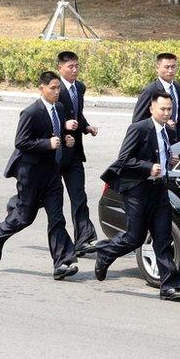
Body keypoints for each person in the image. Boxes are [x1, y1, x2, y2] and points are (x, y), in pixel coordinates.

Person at [95, 92, 180, 301]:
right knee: (134, 237)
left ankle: (168, 286)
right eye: (162, 109)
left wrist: (168, 160)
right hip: (137, 191)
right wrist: (147, 168)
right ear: (152, 109)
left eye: (169, 109)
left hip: (160, 190)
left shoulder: (168, 131)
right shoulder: (139, 128)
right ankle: (105, 253)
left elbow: (160, 153)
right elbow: (124, 160)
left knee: (162, 238)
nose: (166, 113)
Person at [0, 71, 79, 280]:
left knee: (57, 219)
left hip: (52, 175)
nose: (57, 92)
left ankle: (62, 263)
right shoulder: (31, 112)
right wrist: (46, 144)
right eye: (53, 88)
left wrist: (66, 140)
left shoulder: (59, 108)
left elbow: (56, 132)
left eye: (58, 88)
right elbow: (21, 142)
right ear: (42, 89)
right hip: (30, 175)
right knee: (24, 217)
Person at [55, 51, 99, 253]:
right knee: (38, 197)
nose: (74, 70)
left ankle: (83, 239)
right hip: (55, 153)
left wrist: (86, 126)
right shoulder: (54, 89)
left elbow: (77, 113)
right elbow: (46, 116)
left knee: (78, 196)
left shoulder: (79, 88)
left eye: (76, 66)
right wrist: (64, 125)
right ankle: (17, 205)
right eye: (70, 67)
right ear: (60, 68)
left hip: (73, 154)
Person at [132, 53, 180, 142]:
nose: (170, 71)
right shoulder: (150, 91)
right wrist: (162, 122)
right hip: (157, 140)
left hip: (176, 139)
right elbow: (138, 122)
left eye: (173, 67)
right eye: (166, 67)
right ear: (157, 68)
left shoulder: (176, 87)